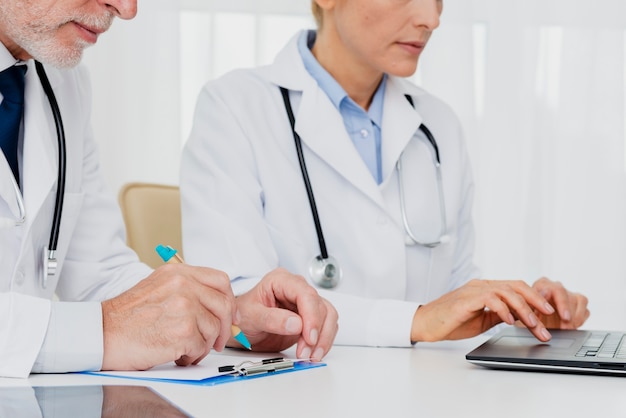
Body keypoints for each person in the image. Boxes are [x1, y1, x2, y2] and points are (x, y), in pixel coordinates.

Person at [180, 0, 589, 348]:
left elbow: (453, 288)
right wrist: (415, 321)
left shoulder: (438, 124)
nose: (431, 18)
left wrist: (519, 312)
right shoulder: (234, 108)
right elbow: (232, 306)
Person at [0, 0, 337, 379]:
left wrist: (225, 315)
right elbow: (114, 321)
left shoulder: (61, 82)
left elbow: (99, 273)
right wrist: (106, 331)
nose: (126, 9)